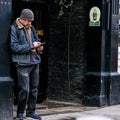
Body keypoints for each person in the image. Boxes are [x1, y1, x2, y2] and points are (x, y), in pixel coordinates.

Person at [10, 8, 43, 120]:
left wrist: (39, 46)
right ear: (22, 19)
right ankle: (20, 113)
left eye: (31, 21)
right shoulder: (14, 28)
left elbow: (36, 39)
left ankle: (31, 112)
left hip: (35, 61)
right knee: (25, 90)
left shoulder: (31, 28)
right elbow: (14, 47)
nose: (30, 23)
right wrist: (31, 46)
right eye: (28, 21)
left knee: (34, 89)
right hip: (22, 63)